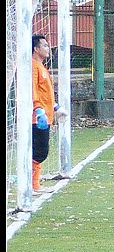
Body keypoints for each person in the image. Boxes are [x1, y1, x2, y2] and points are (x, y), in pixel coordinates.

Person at [31, 35, 66, 194]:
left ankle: (34, 184)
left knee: (40, 151)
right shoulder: (33, 66)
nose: (48, 48)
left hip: (46, 115)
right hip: (37, 117)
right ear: (36, 49)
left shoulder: (41, 67)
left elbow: (45, 93)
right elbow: (33, 90)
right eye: (44, 45)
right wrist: (38, 110)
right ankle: (33, 184)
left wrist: (56, 107)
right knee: (40, 152)